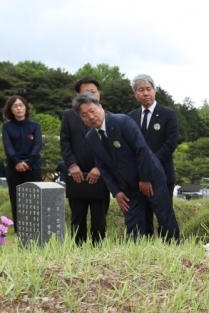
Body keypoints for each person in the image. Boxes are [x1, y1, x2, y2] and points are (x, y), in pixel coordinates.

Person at [75, 93, 180, 241]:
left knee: (164, 218)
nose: (91, 117)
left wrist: (145, 179)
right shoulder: (90, 137)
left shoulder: (122, 121)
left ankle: (175, 251)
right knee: (134, 226)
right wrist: (116, 191)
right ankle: (140, 255)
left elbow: (141, 150)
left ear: (101, 107)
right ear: (81, 118)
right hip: (127, 186)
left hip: (150, 177)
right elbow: (102, 166)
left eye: (93, 111)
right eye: (85, 115)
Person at [127, 74, 179, 236]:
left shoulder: (168, 114)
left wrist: (149, 166)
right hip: (139, 178)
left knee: (164, 215)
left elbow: (171, 143)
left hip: (162, 173)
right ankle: (146, 248)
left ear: (154, 90)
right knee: (143, 216)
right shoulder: (130, 117)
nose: (146, 93)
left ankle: (169, 248)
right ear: (135, 94)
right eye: (141, 90)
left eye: (148, 89)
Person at [60, 77, 110, 245]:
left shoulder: (108, 117)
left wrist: (99, 167)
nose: (90, 95)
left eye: (93, 92)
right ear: (78, 96)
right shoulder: (68, 116)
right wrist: (72, 165)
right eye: (85, 92)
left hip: (100, 175)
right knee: (77, 219)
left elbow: (110, 146)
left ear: (99, 94)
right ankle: (77, 251)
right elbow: (65, 142)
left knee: (100, 219)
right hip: (77, 175)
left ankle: (98, 252)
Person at [1, 95, 43, 226]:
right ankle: (19, 230)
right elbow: (8, 147)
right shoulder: (7, 127)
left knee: (34, 199)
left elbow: (37, 146)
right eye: (15, 106)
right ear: (11, 110)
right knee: (16, 198)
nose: (19, 108)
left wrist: (28, 163)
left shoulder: (35, 126)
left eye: (21, 105)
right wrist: (17, 162)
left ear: (25, 107)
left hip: (33, 167)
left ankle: (35, 228)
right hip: (14, 168)